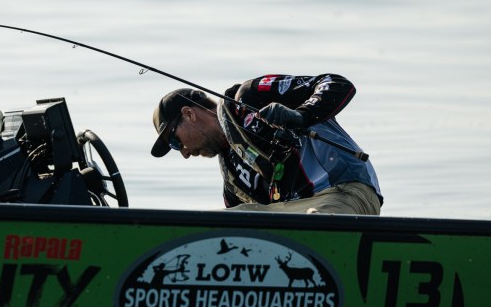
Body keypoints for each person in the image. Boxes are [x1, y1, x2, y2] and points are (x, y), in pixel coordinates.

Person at [150, 74, 383, 215]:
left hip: (342, 192)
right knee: (217, 225)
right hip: (291, 216)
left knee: (311, 229)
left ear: (189, 114)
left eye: (175, 142)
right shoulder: (232, 179)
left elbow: (337, 83)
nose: (184, 153)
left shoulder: (249, 96)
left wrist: (300, 115)